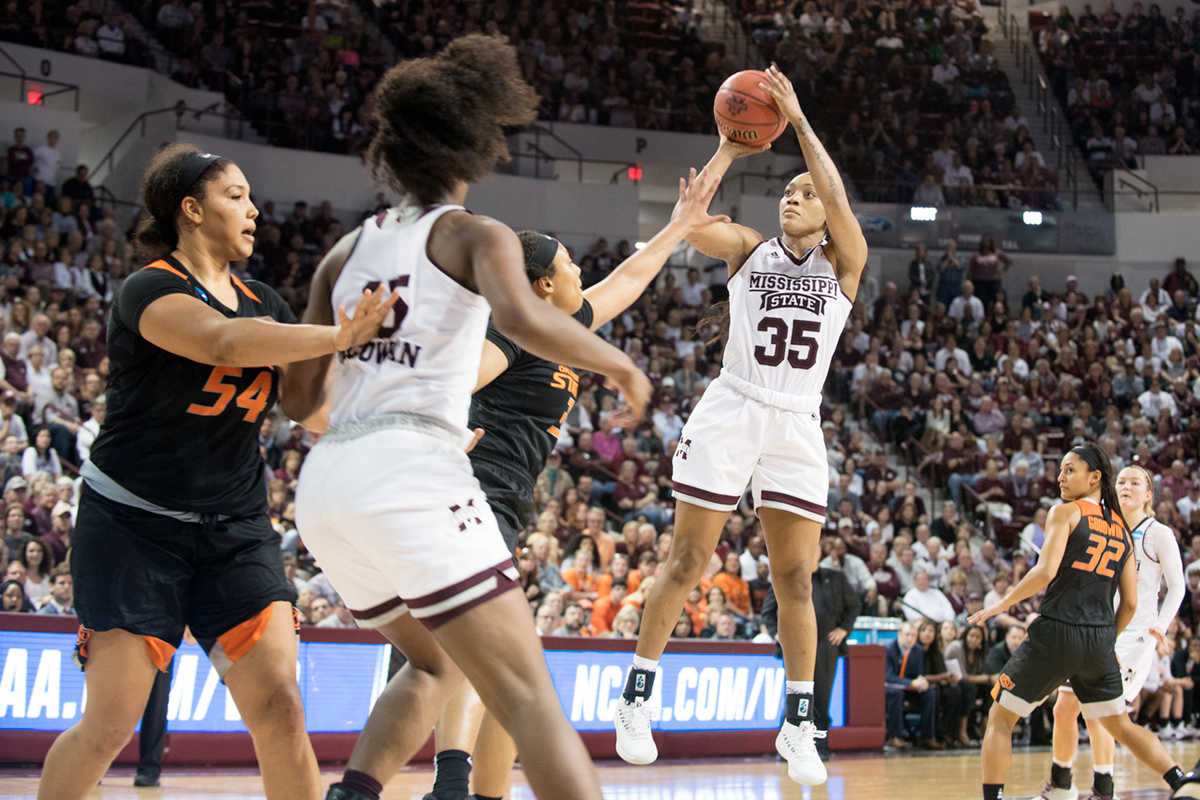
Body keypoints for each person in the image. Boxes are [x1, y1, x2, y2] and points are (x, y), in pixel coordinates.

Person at [282, 36, 651, 800]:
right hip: (411, 466)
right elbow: (526, 316)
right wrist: (615, 362)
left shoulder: (345, 252)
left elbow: (295, 403)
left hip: (327, 486)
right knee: (527, 696)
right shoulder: (472, 233)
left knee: (434, 663)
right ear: (472, 143)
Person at [36, 143, 398, 800]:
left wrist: (408, 432)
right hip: (132, 526)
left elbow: (306, 407)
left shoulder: (263, 298)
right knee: (109, 723)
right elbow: (223, 343)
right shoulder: (152, 287)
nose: (254, 210)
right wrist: (337, 336)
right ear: (192, 209)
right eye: (236, 196)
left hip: (234, 529)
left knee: (282, 708)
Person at [422, 166, 722, 800]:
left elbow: (628, 281)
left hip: (503, 499)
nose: (581, 275)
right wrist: (439, 428)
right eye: (569, 268)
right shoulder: (513, 330)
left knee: (504, 666)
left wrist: (679, 225)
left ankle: (469, 791)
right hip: (476, 493)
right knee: (499, 661)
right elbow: (455, 382)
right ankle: (455, 787)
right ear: (541, 285)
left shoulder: (562, 325)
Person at [614, 64, 867, 788]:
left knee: (795, 576)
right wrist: (730, 146)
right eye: (787, 191)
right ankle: (636, 696)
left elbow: (839, 192)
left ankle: (796, 725)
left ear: (825, 215)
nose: (794, 197)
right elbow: (687, 223)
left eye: (805, 194)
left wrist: (800, 121)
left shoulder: (846, 265)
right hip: (733, 405)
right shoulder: (748, 250)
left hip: (796, 424)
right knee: (688, 561)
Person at [970, 444, 1187, 800]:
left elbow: (1044, 573)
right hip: (1101, 640)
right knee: (1120, 724)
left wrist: (1002, 605)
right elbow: (1130, 603)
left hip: (1057, 632)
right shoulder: (1122, 529)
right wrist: (1106, 640)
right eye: (1061, 470)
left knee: (1000, 717)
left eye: (1070, 469)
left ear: (1095, 477)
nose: (1060, 477)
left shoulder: (1065, 513)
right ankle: (1180, 779)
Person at [1042, 464, 1186, 800]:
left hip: (1134, 637)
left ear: (1148, 494)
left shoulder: (1158, 534)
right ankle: (1061, 784)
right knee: (1063, 709)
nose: (1126, 486)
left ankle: (1104, 788)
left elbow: (1177, 587)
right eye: (1121, 481)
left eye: (1135, 482)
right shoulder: (1104, 527)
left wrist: (1159, 629)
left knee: (1102, 716)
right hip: (1095, 630)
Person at [761, 563, 859, 760]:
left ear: (819, 554)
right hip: (795, 645)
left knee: (822, 697)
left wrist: (844, 629)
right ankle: (789, 747)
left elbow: (854, 605)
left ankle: (820, 747)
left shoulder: (835, 578)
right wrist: (777, 634)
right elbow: (768, 612)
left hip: (825, 644)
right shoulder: (788, 573)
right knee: (795, 694)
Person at [885, 620, 939, 749]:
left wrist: (922, 682)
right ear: (899, 634)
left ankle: (927, 736)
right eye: (907, 635)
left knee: (930, 692)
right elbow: (889, 677)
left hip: (909, 689)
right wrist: (912, 683)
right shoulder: (888, 650)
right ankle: (895, 737)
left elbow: (918, 674)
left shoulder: (918, 651)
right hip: (890, 689)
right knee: (896, 693)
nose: (910, 638)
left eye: (913, 636)